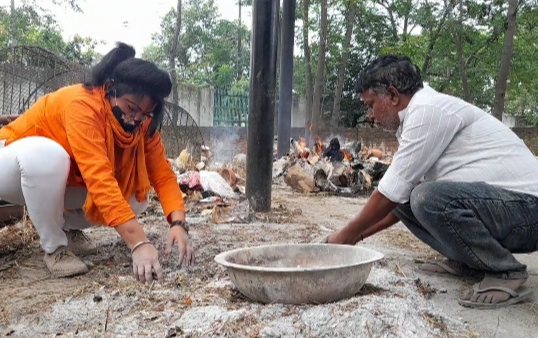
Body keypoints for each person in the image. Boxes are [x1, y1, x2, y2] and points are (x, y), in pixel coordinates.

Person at [326, 55, 538, 309]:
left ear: (393, 96)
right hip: (506, 209)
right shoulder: (416, 117)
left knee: (427, 197)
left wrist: (341, 239)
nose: (370, 115)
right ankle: (470, 261)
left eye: (370, 105)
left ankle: (506, 272)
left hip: (528, 211)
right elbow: (395, 203)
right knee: (409, 196)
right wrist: (353, 238)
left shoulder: (428, 111)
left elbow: (390, 194)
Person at [0, 42, 194, 284]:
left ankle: (69, 230)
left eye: (145, 114)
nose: (136, 118)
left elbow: (162, 175)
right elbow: (100, 180)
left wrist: (178, 223)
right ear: (111, 89)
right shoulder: (83, 106)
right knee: (50, 156)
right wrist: (139, 243)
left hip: (55, 179)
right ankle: (54, 248)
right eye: (131, 107)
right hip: (10, 162)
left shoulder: (143, 124)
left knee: (135, 196)